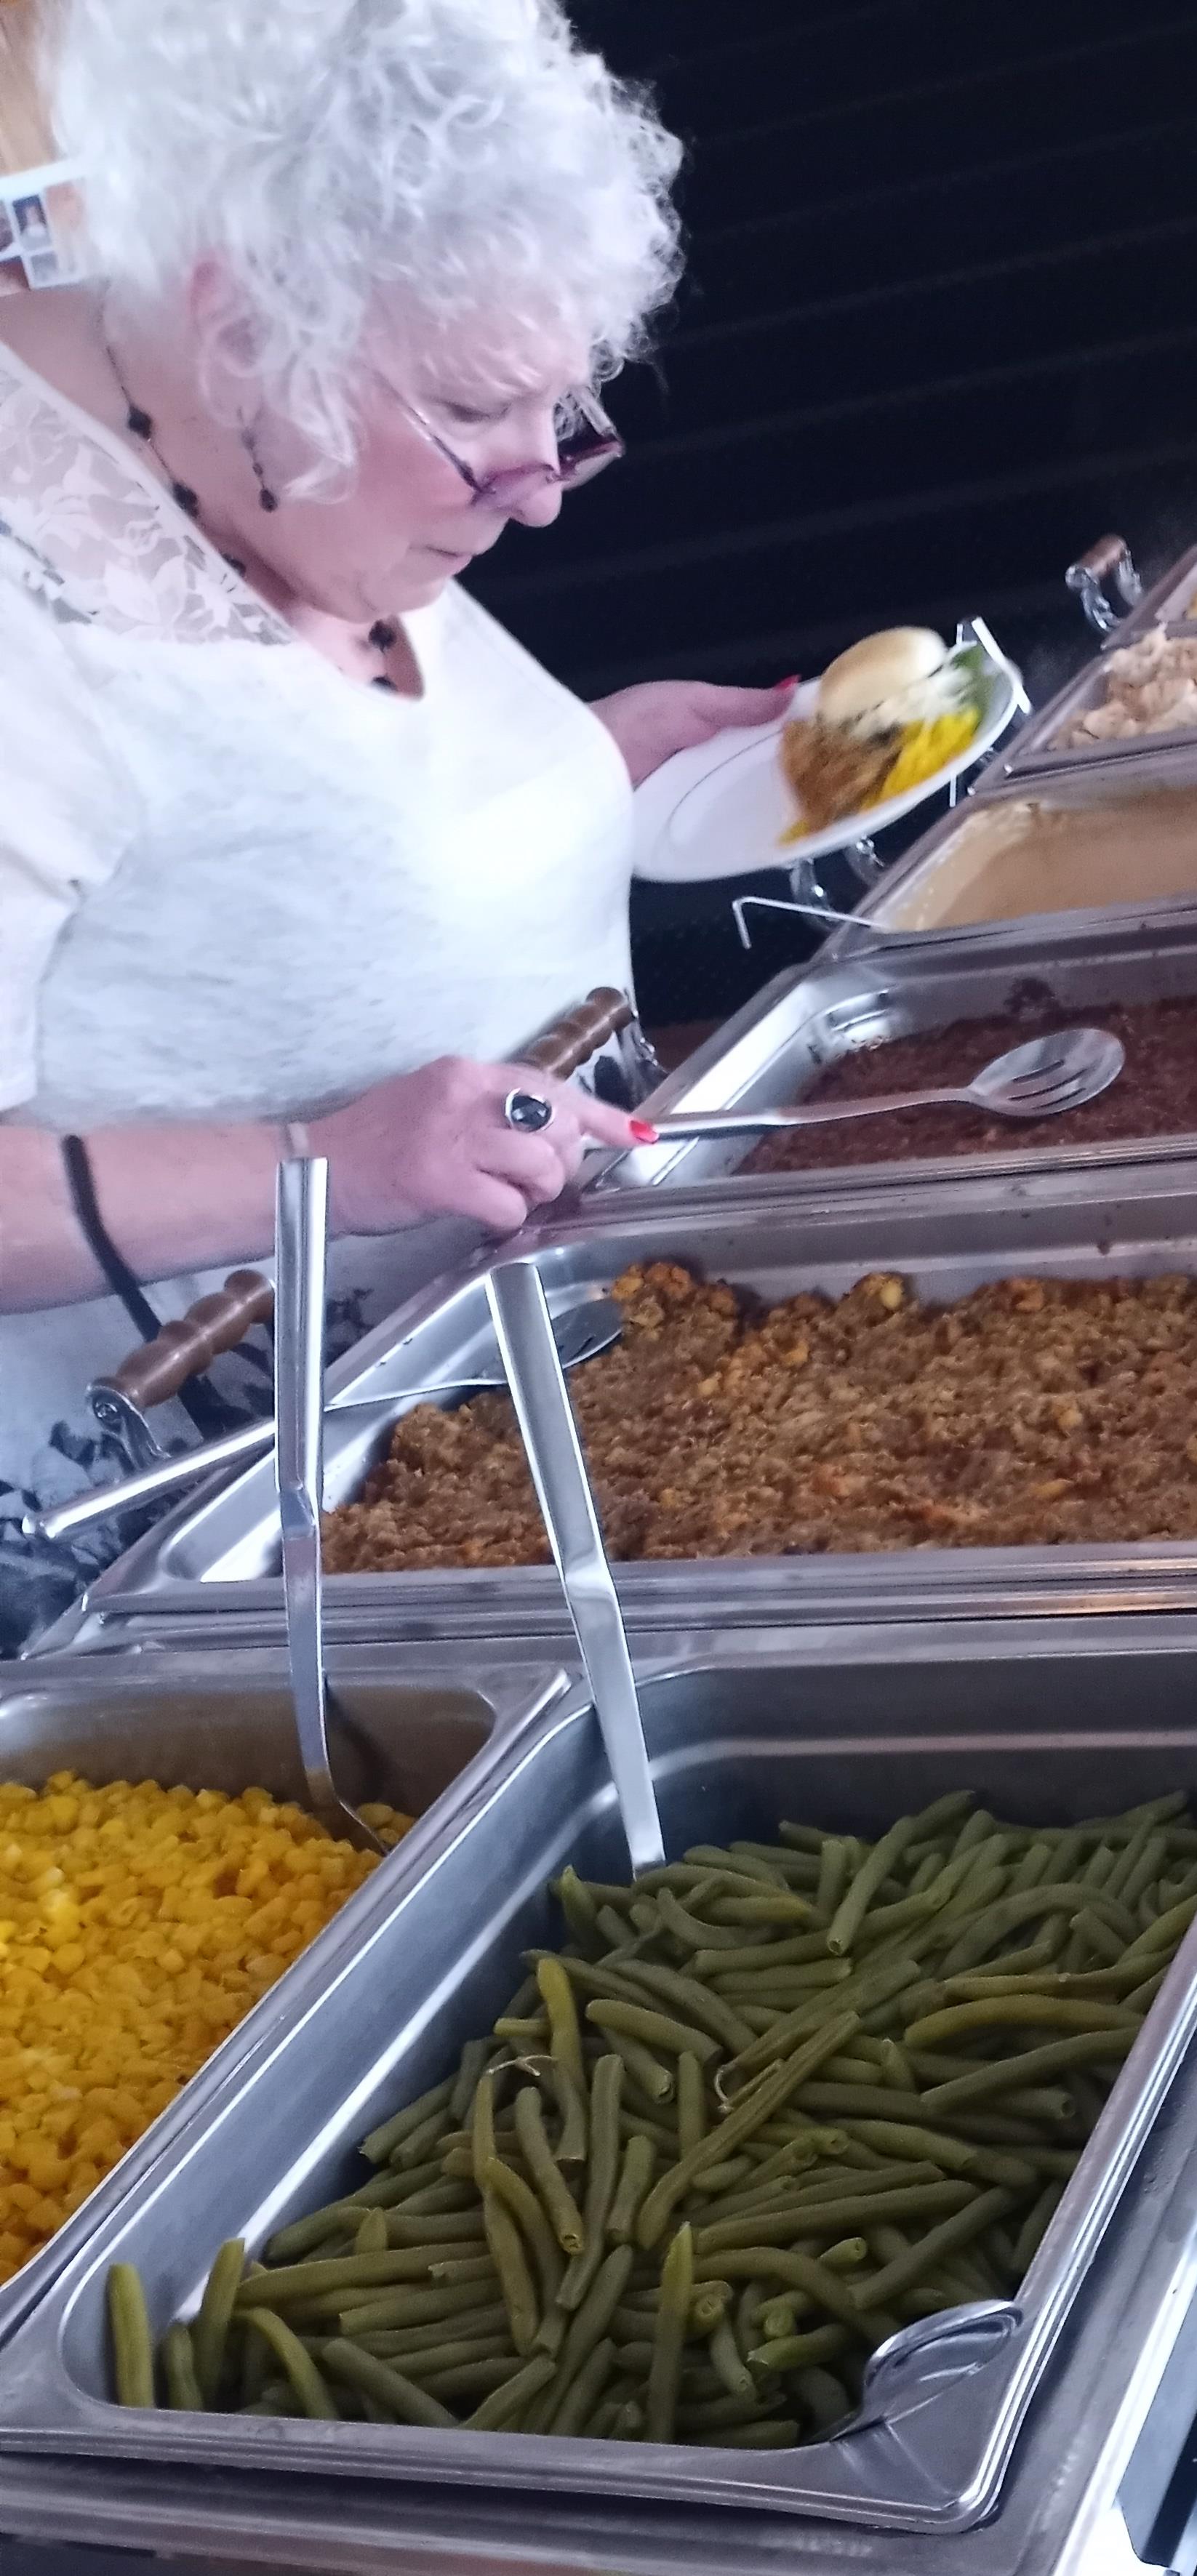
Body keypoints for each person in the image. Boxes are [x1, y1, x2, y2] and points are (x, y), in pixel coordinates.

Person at [0, 0, 790, 1644]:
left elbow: (278, 805)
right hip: (198, 1579)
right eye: (479, 419)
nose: (544, 484)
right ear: (238, 324)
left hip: (524, 1421)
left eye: (563, 412)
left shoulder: (269, 449)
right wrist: (325, 1163)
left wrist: (588, 766)